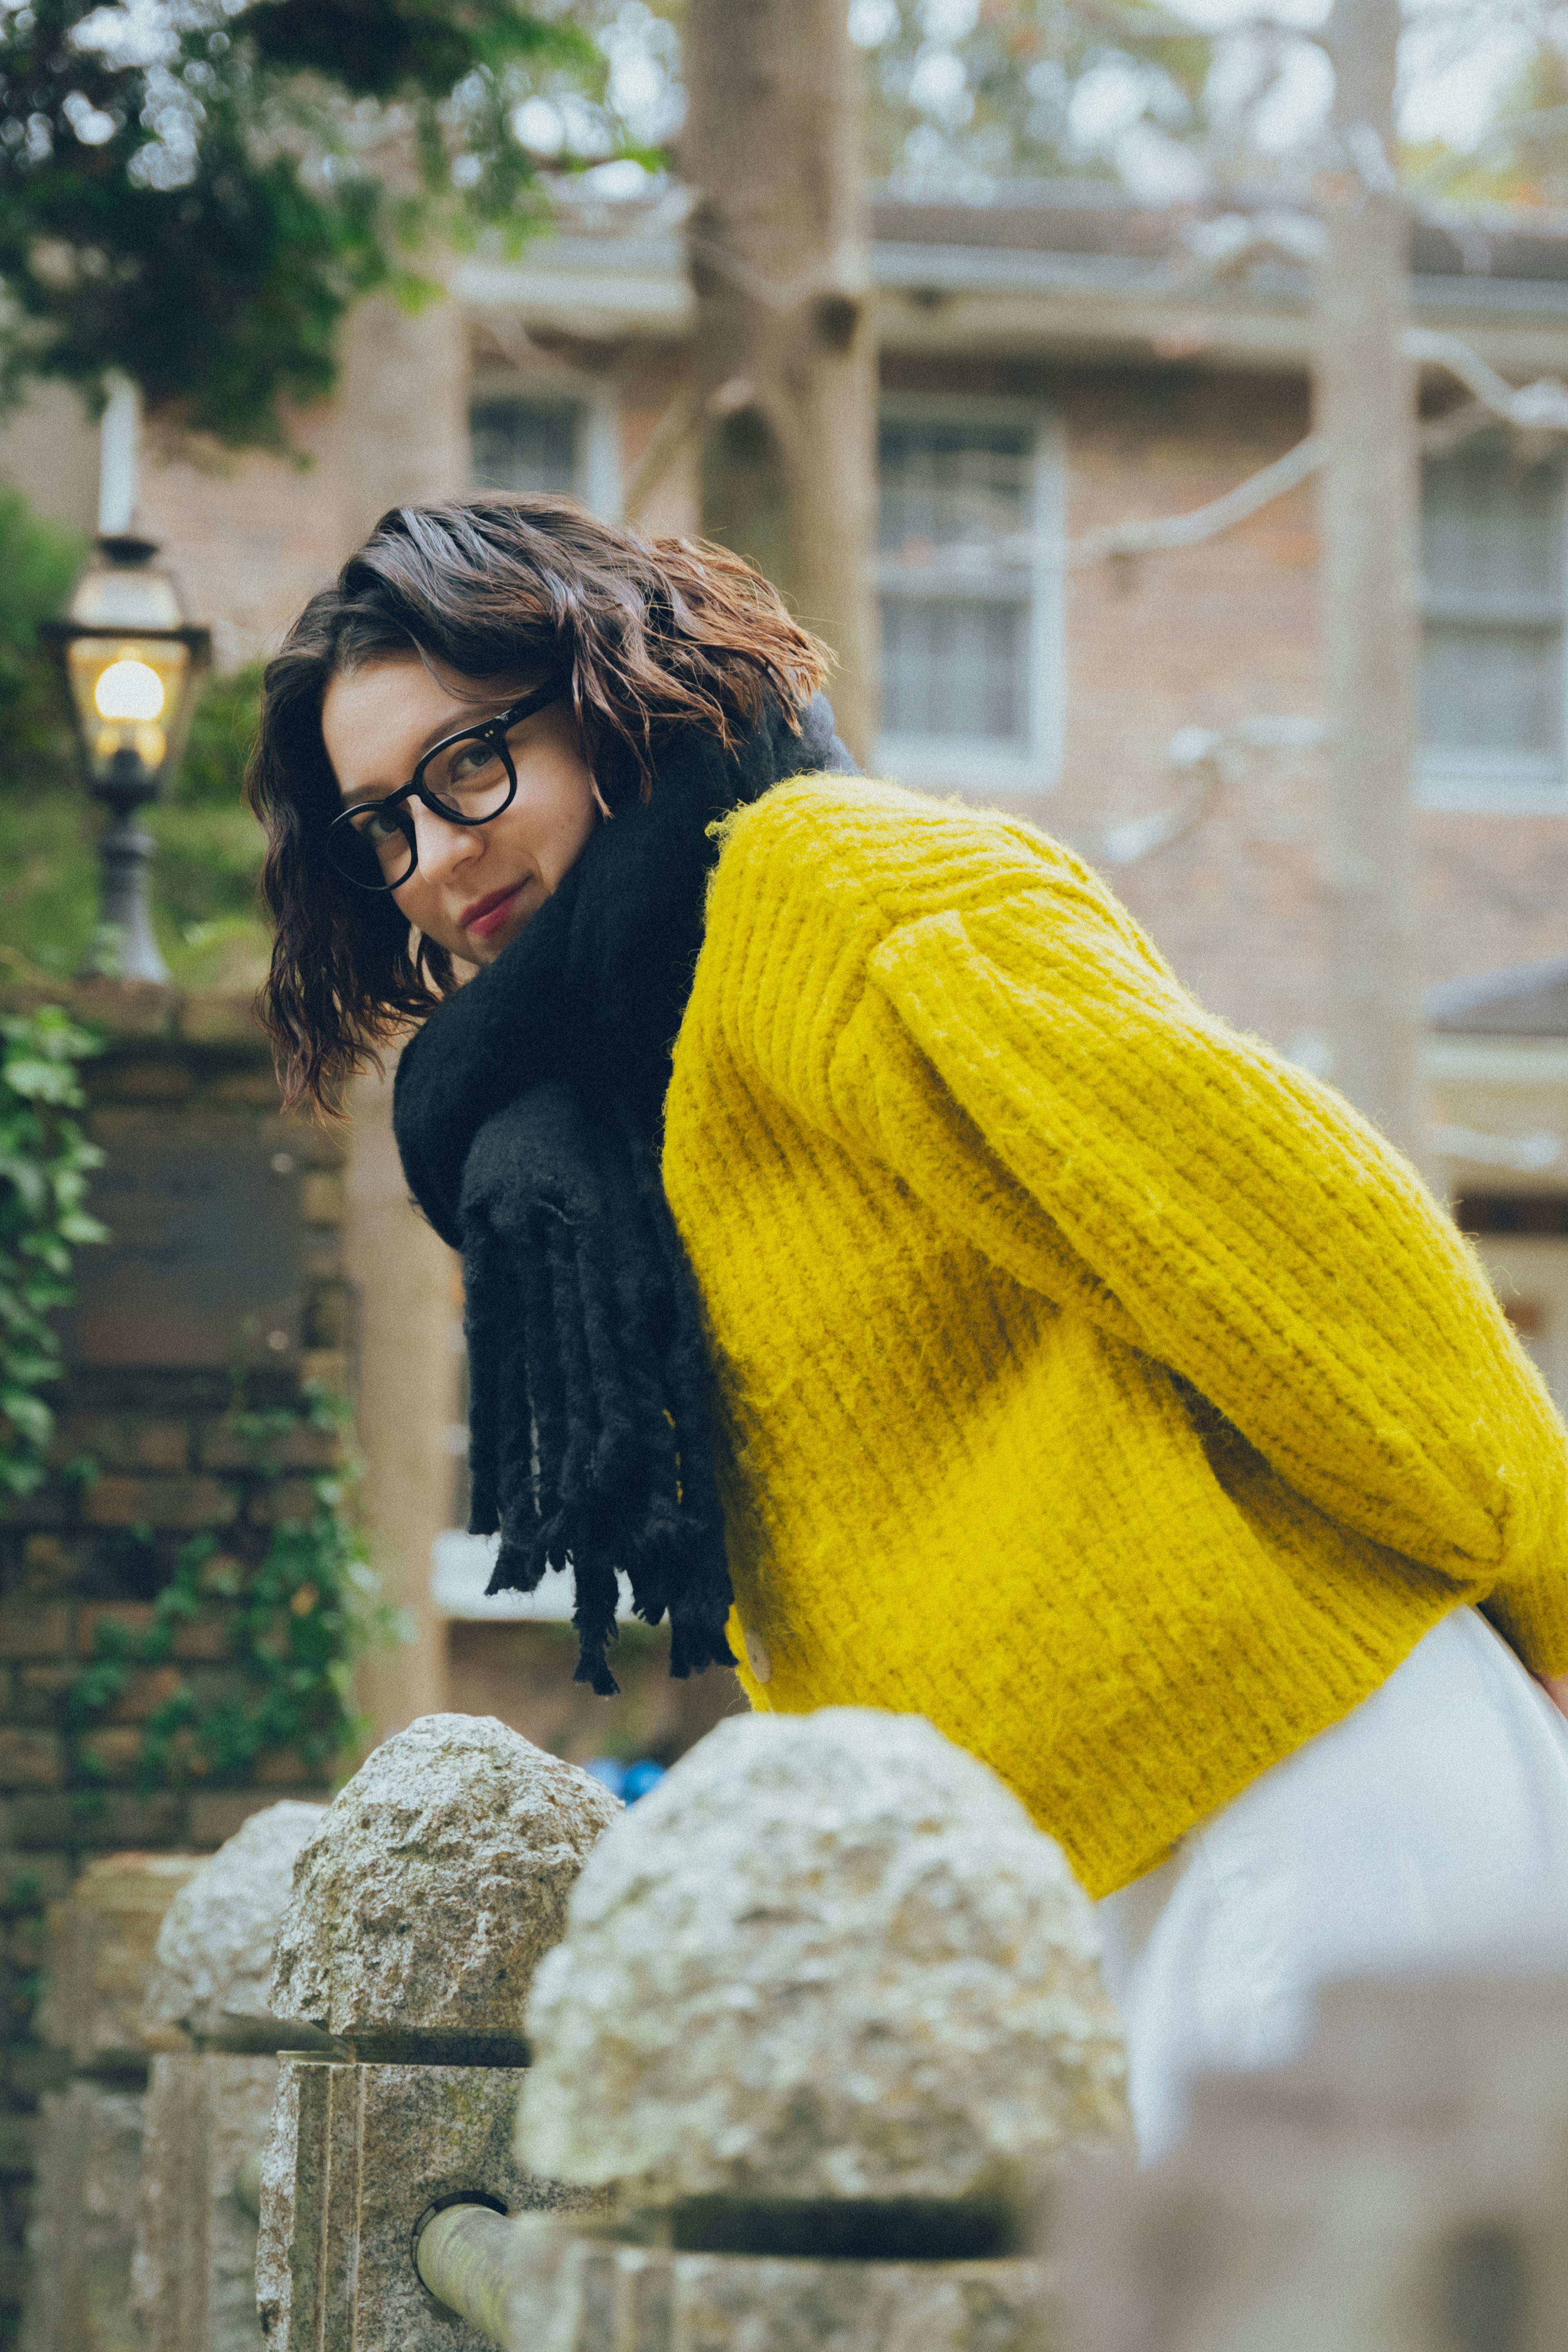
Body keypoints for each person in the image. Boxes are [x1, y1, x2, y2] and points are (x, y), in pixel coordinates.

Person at [249, 491, 1568, 2154]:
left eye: (469, 766)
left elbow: (1334, 1273)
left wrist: (1556, 1612)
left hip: (1314, 1802)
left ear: (602, 695)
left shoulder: (841, 898)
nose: (436, 857)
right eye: (385, 825)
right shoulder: (601, 1102)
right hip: (1056, 1896)